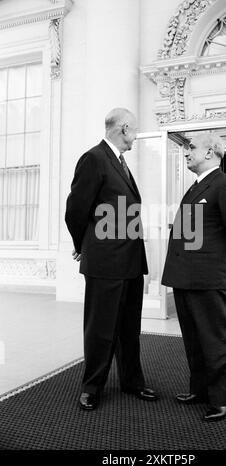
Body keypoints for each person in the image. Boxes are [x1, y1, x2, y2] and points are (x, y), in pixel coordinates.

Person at [65, 108, 158, 410]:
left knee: (129, 327)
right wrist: (85, 245)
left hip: (130, 262)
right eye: (134, 132)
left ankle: (132, 381)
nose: (136, 138)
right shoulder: (94, 158)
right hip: (105, 261)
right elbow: (75, 210)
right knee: (101, 328)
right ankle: (92, 386)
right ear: (124, 128)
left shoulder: (120, 162)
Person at [162, 132, 226, 422]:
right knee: (194, 340)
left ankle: (223, 398)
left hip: (210, 279)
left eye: (192, 148)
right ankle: (200, 390)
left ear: (211, 152)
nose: (186, 153)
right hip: (186, 278)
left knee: (215, 340)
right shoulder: (195, 188)